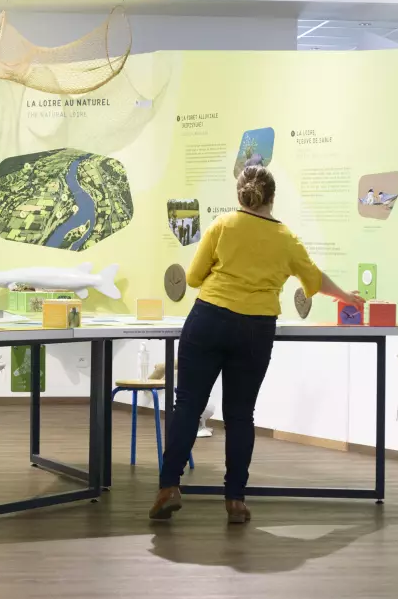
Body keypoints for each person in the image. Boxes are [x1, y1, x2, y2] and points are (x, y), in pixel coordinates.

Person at [151, 166, 362, 525]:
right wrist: (345, 297)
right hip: (256, 329)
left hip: (209, 319)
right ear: (272, 197)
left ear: (240, 194)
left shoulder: (223, 225)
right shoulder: (286, 238)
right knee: (240, 415)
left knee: (187, 405)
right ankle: (235, 500)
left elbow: (194, 277)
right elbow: (313, 278)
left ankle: (169, 487)